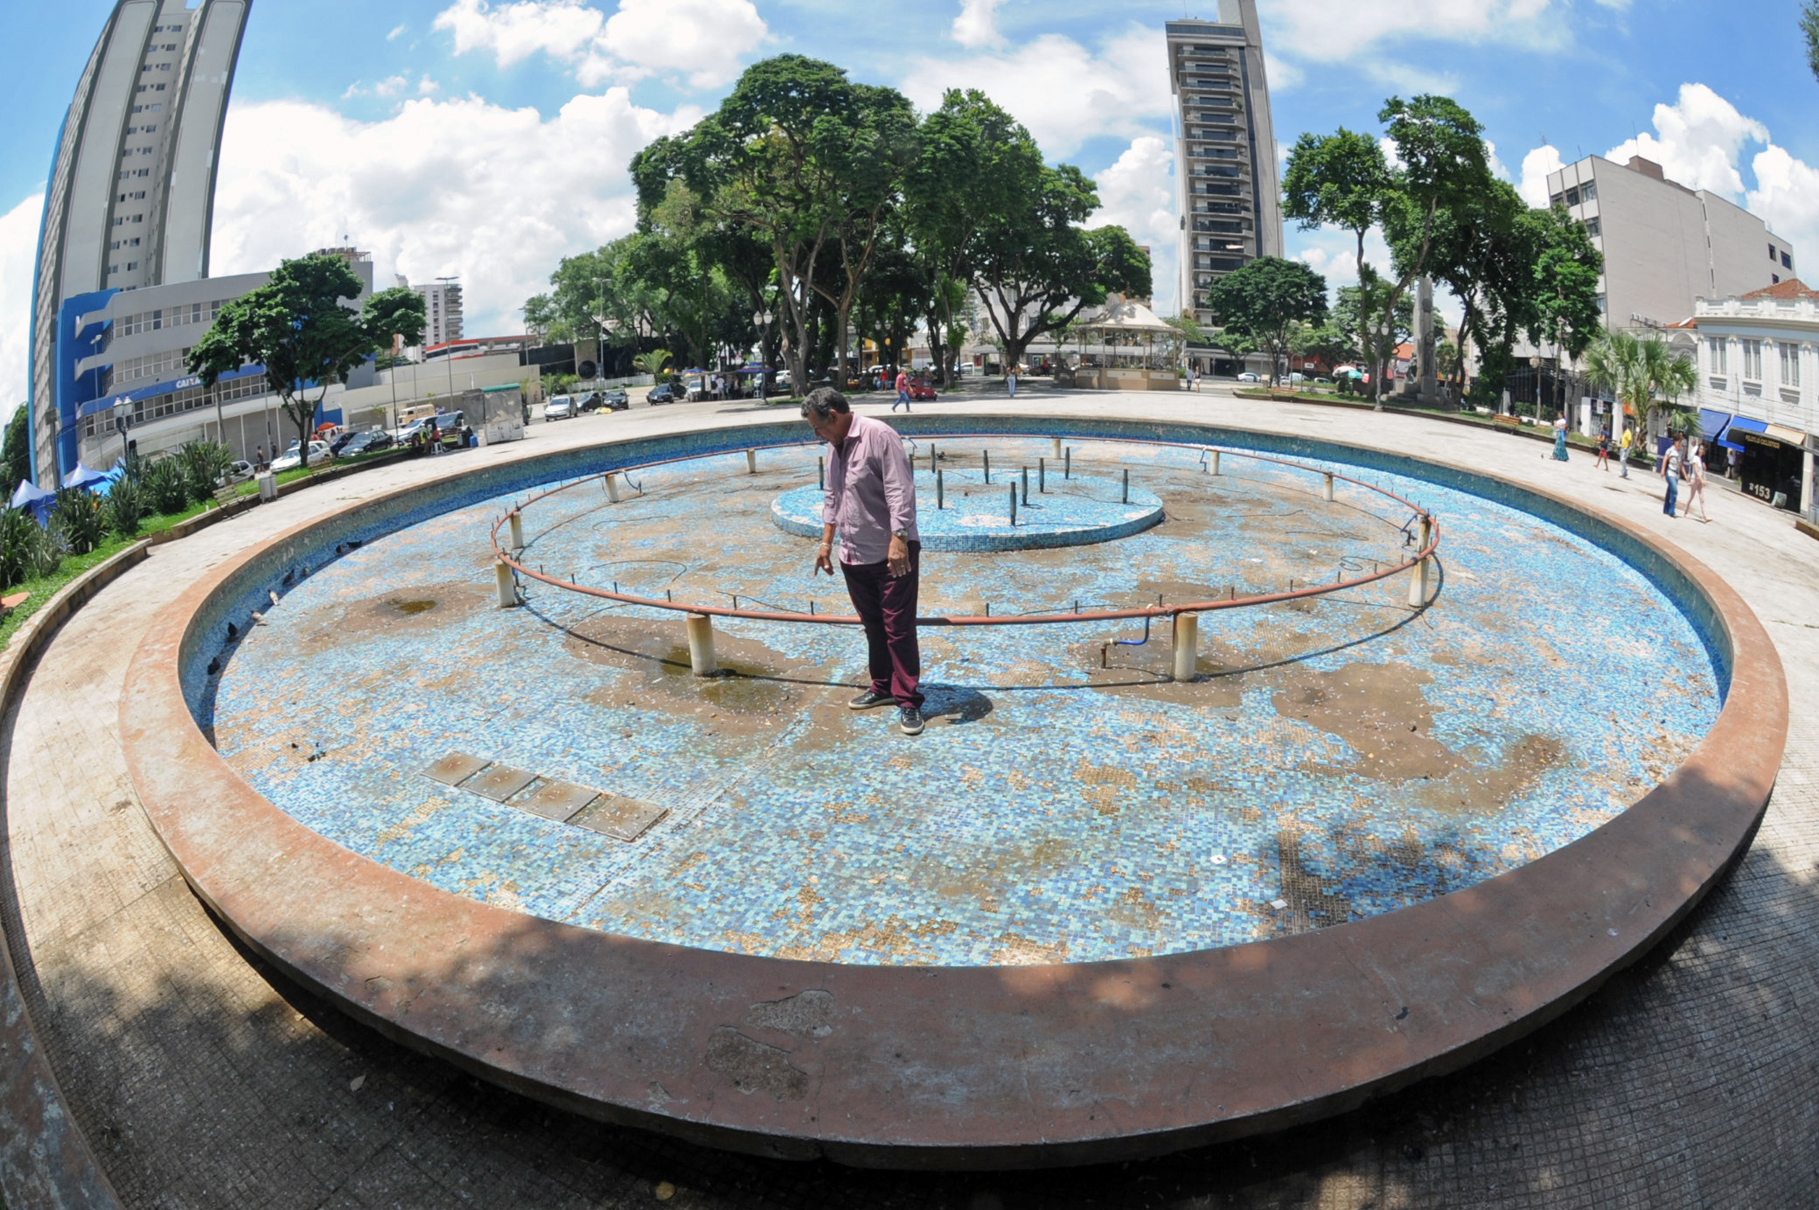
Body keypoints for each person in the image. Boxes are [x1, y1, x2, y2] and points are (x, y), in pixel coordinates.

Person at [803, 387, 925, 736]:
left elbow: (901, 490)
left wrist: (899, 539)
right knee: (873, 625)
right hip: (853, 555)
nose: (816, 434)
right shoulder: (833, 447)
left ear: (834, 416)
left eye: (818, 427)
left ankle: (908, 700)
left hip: (890, 553)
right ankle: (882, 686)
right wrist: (827, 542)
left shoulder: (880, 435)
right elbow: (833, 496)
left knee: (898, 628)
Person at [1682, 441, 1709, 522]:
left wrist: (1703, 479)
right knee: (1691, 497)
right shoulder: (1695, 458)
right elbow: (1696, 471)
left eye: (1703, 449)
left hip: (1699, 480)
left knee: (1702, 498)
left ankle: (1704, 516)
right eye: (1700, 449)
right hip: (1695, 480)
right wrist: (1701, 480)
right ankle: (1685, 512)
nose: (1701, 450)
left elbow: (1701, 471)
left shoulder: (1701, 460)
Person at [1660, 434, 1684, 517]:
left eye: (1680, 441)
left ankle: (1666, 509)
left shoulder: (1681, 451)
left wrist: (1685, 475)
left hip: (1676, 474)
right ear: (1675, 441)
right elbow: (1665, 460)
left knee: (1670, 491)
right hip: (1670, 473)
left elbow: (1681, 463)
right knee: (1674, 491)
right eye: (1678, 441)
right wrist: (1662, 470)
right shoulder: (1670, 450)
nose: (1679, 443)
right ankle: (1672, 511)